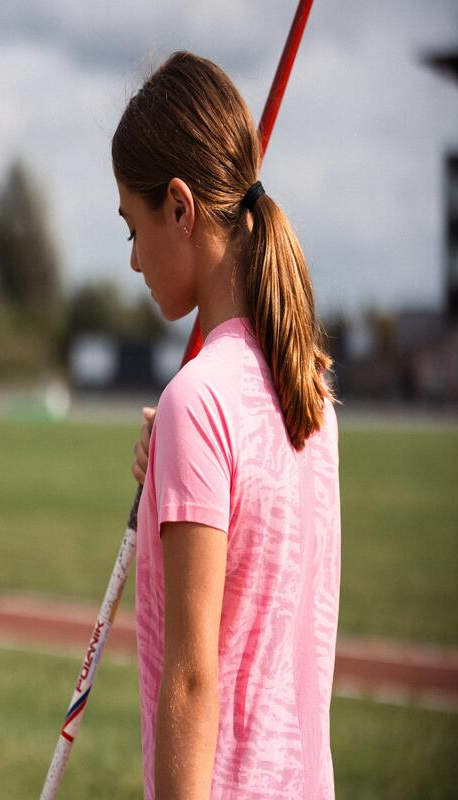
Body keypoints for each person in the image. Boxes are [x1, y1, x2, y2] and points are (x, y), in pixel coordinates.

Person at [113, 51, 341, 800]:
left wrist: (185, 424)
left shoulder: (198, 402)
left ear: (179, 207)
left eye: (133, 227)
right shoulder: (306, 389)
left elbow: (190, 681)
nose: (135, 260)